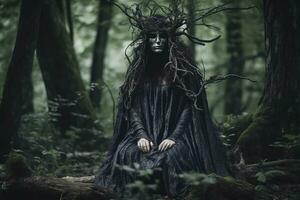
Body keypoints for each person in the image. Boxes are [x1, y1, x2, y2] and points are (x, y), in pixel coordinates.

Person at [95, 6, 231, 198]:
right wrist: (141, 135)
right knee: (128, 153)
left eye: (163, 36)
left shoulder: (184, 71)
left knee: (172, 158)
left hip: (179, 135)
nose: (157, 41)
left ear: (170, 40)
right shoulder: (139, 72)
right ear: (146, 39)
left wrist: (173, 137)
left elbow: (188, 108)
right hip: (143, 134)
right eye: (152, 36)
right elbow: (132, 107)